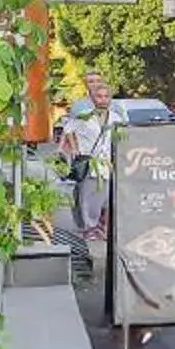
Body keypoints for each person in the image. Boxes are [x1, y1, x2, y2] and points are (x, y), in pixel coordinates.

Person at [61, 74, 117, 242]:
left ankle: (101, 227)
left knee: (106, 197)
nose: (103, 100)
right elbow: (68, 128)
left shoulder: (116, 117)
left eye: (106, 96)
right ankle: (88, 228)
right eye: (99, 96)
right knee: (88, 196)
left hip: (108, 162)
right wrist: (75, 149)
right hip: (90, 161)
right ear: (93, 98)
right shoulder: (84, 115)